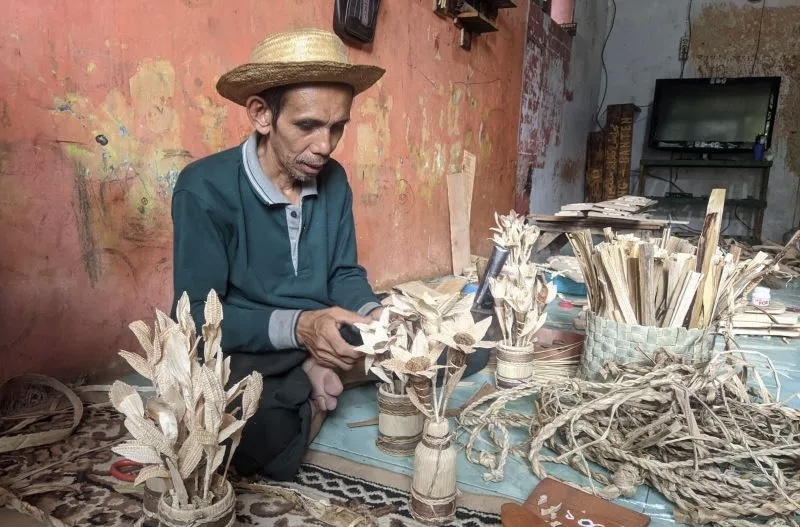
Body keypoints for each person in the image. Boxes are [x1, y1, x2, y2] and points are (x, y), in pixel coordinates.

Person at [171, 28, 386, 481]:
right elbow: (194, 317)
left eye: (338, 126)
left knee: (444, 349)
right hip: (250, 346)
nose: (324, 146)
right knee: (247, 438)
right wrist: (301, 329)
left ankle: (319, 371)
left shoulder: (334, 180)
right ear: (261, 114)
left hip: (315, 332)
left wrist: (375, 316)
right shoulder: (204, 188)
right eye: (307, 126)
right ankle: (317, 375)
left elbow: (344, 272)